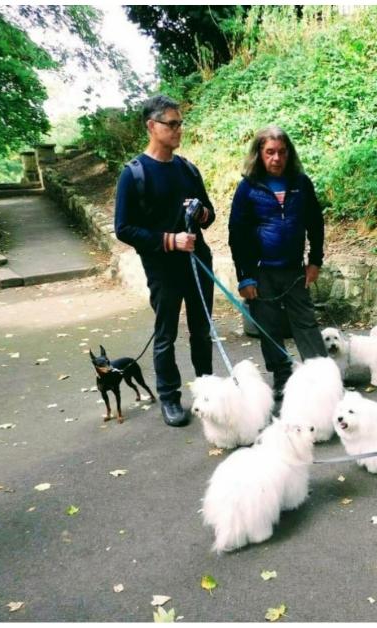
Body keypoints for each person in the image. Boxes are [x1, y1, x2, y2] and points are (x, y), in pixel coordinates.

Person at [114, 95, 216, 427]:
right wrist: (170, 240)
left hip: (197, 263)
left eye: (179, 124)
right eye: (171, 124)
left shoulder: (187, 169)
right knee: (166, 334)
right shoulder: (134, 174)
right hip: (162, 268)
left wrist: (200, 213)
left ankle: (207, 393)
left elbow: (209, 215)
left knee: (202, 332)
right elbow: (123, 228)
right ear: (151, 126)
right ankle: (170, 398)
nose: (178, 130)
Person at [228, 126, 329, 398]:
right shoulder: (248, 188)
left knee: (306, 323)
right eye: (270, 152)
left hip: (295, 269)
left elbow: (315, 223)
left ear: (289, 153)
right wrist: (244, 277)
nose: (276, 158)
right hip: (261, 272)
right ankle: (283, 379)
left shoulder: (301, 183)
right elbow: (237, 235)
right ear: (259, 154)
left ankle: (322, 379)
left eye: (282, 152)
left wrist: (315, 261)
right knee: (269, 328)